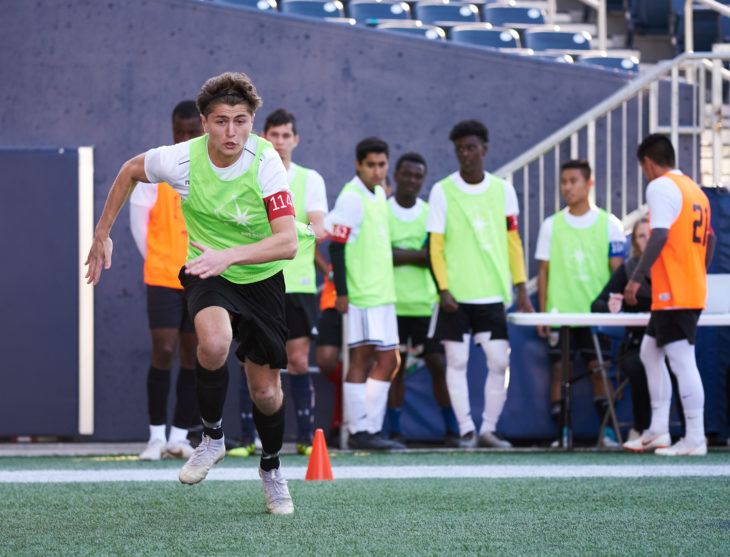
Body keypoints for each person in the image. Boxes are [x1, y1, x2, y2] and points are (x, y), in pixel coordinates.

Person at [85, 71, 311, 515]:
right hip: (208, 266)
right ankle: (211, 437)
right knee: (212, 343)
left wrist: (232, 256)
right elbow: (131, 169)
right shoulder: (181, 159)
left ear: (253, 123)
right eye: (222, 121)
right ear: (204, 122)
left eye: (242, 121)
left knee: (266, 392)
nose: (232, 132)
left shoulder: (267, 162)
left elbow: (286, 242)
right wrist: (101, 233)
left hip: (260, 274)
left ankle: (271, 468)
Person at [427, 119, 534, 449]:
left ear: (484, 149)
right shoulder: (442, 190)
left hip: (492, 295)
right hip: (455, 298)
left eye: (471, 147)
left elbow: (513, 241)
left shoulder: (503, 190)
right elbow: (435, 246)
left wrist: (520, 288)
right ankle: (466, 431)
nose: (466, 154)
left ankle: (488, 428)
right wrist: (443, 289)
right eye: (460, 149)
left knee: (499, 362)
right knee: (456, 363)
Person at [230, 108, 328, 457]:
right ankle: (245, 439)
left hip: (298, 283)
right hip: (255, 280)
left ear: (295, 140)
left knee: (298, 362)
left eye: (287, 135)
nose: (280, 142)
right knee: (249, 360)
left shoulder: (310, 179)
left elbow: (320, 227)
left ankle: (305, 438)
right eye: (274, 135)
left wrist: (287, 233)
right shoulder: (249, 175)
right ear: (263, 138)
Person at [623, 134, 715, 456]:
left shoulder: (660, 186)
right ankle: (658, 430)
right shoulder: (695, 191)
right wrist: (695, 271)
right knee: (650, 352)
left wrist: (635, 278)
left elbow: (659, 234)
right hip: (682, 289)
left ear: (648, 163)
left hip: (675, 292)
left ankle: (695, 438)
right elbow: (711, 241)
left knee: (682, 362)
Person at [129, 100, 202, 461]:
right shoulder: (156, 167)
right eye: (179, 131)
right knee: (165, 350)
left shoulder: (212, 169)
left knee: (193, 355)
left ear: (203, 129)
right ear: (171, 129)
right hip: (162, 275)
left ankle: (179, 437)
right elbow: (138, 224)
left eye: (192, 132)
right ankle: (155, 437)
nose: (184, 138)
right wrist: (160, 259)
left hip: (202, 276)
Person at [536, 159, 626, 447]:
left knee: (599, 368)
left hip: (596, 315)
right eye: (563, 181)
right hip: (559, 314)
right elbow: (543, 272)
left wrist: (615, 312)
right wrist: (542, 315)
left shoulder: (610, 224)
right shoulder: (551, 225)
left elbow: (618, 272)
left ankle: (608, 433)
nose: (567, 187)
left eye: (573, 181)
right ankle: (563, 433)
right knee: (560, 371)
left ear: (589, 183)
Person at [325, 137, 405, 450]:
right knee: (361, 358)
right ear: (358, 164)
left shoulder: (379, 195)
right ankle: (359, 431)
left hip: (383, 294)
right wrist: (342, 292)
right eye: (370, 164)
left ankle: (370, 429)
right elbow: (335, 245)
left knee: (390, 361)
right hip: (361, 296)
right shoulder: (352, 197)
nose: (377, 170)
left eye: (382, 164)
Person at [385, 152, 459, 446]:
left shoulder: (430, 212)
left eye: (418, 176)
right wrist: (419, 255)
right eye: (407, 174)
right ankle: (394, 431)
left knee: (437, 365)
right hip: (392, 303)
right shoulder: (383, 210)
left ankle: (453, 429)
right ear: (396, 175)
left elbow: (437, 256)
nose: (412, 180)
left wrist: (402, 255)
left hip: (425, 305)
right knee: (395, 368)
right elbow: (382, 255)